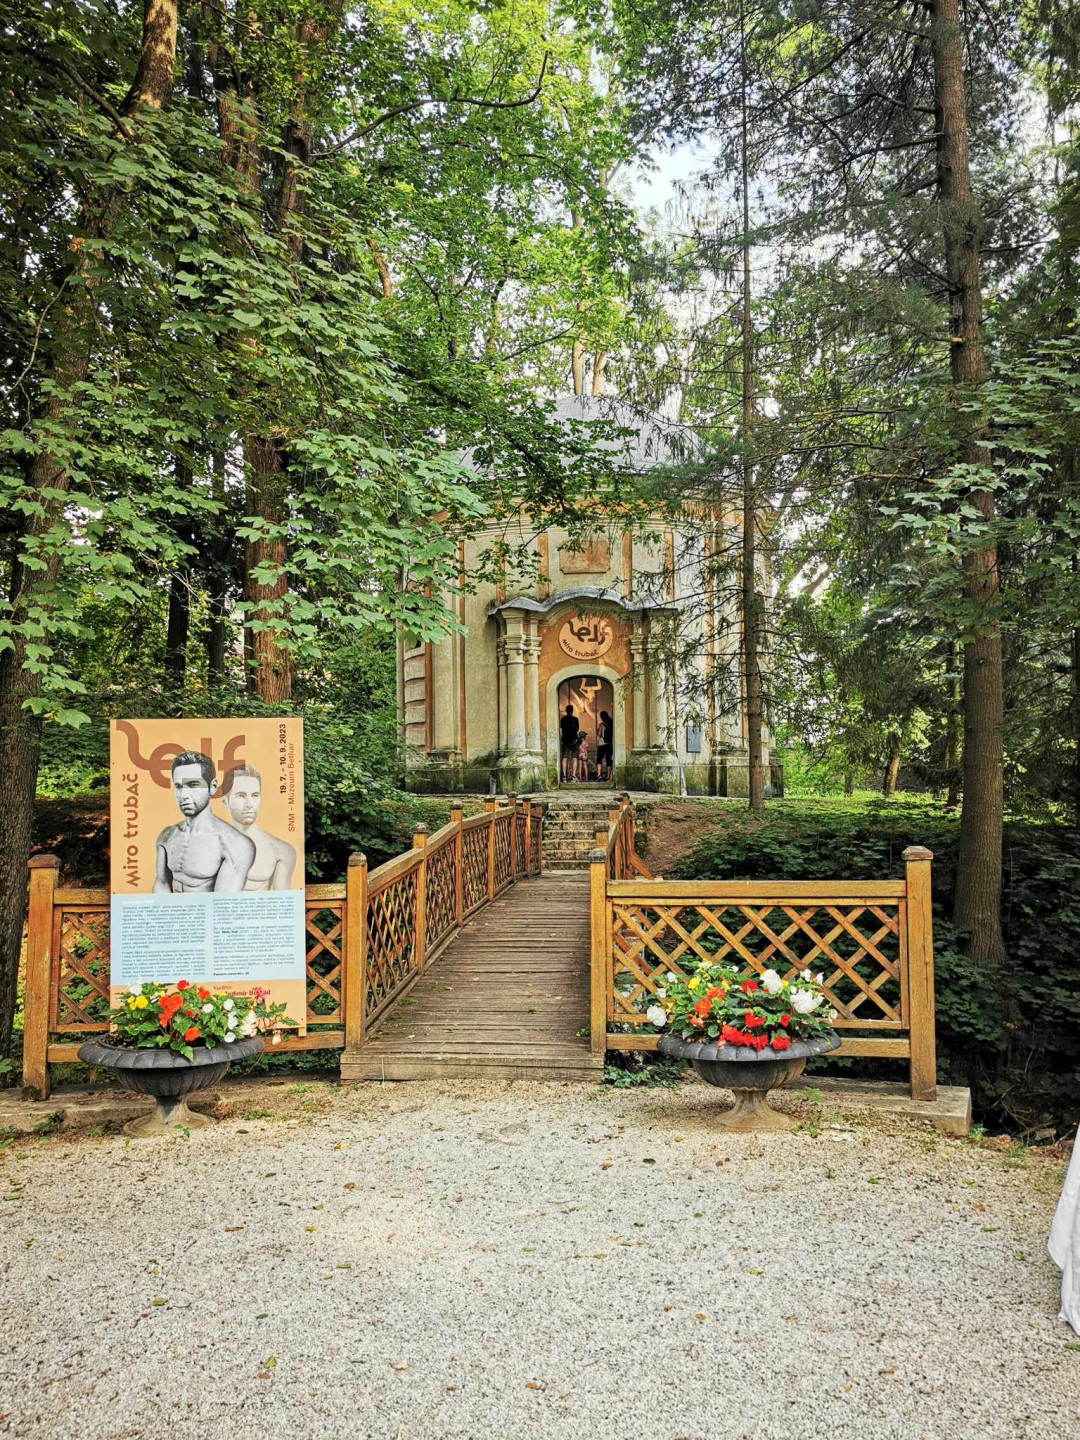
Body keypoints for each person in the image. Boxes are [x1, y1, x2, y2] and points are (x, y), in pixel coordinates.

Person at [153, 751, 255, 893]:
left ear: (212, 787)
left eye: (193, 785)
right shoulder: (167, 836)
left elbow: (222, 903)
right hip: (172, 908)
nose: (184, 795)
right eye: (179, 786)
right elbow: (161, 884)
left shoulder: (235, 844)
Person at [218, 765, 298, 891]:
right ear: (225, 802)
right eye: (241, 796)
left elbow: (283, 899)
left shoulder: (280, 850)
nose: (249, 804)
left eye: (255, 795)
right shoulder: (209, 846)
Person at [559, 704, 580, 782]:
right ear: (572, 711)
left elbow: (562, 728)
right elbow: (577, 729)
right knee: (575, 758)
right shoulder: (575, 719)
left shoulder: (562, 719)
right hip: (574, 740)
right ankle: (573, 776)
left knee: (564, 758)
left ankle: (564, 776)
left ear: (566, 711)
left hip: (565, 741)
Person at [596, 709, 613, 782]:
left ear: (602, 717)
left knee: (599, 760)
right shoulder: (611, 724)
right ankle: (608, 777)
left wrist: (597, 744)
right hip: (609, 744)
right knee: (609, 761)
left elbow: (599, 735)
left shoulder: (601, 725)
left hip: (602, 744)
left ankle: (599, 775)